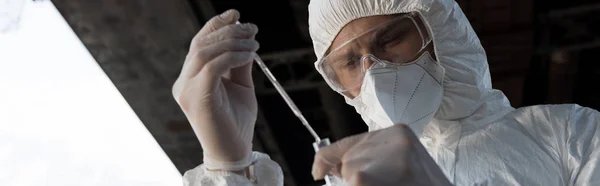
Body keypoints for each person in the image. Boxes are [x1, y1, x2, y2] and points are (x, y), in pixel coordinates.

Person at [173, 0, 600, 185]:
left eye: (391, 39)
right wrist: (228, 166)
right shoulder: (351, 181)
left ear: (441, 31)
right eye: (350, 62)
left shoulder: (569, 136)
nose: (374, 71)